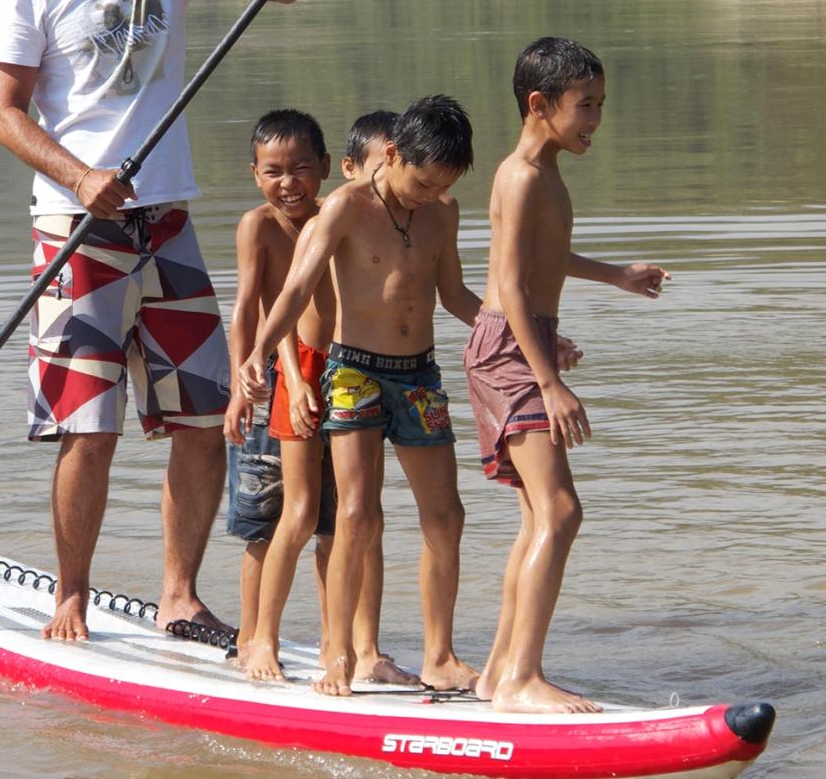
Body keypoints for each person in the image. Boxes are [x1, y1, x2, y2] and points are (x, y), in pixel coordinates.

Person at [0, 0, 312, 642]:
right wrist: (80, 176)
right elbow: (3, 114)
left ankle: (179, 597)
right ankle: (71, 596)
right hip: (76, 227)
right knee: (87, 430)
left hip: (164, 222)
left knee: (203, 419)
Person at [240, 96, 481, 697]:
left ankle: (440, 656)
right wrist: (259, 356)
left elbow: (455, 295)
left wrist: (522, 334)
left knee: (447, 516)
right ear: (394, 154)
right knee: (355, 514)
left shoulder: (442, 211)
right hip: (355, 374)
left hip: (418, 374)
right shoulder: (346, 206)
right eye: (423, 181)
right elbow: (294, 292)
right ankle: (340, 656)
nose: (429, 194)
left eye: (442, 186)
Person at [466, 37, 669, 713]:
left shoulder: (542, 172)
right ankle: (521, 679)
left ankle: (499, 673)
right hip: (511, 353)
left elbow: (543, 255)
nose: (594, 121)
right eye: (585, 106)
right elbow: (510, 285)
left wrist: (613, 276)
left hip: (520, 344)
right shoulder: (522, 175)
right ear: (538, 103)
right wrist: (547, 376)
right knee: (559, 510)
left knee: (537, 518)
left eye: (600, 106)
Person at [224, 109, 338, 680]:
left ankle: (330, 641)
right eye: (273, 171)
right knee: (264, 524)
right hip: (270, 381)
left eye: (300, 169)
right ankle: (252, 636)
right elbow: (249, 307)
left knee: (332, 524)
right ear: (254, 174)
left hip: (330, 380)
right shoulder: (258, 227)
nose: (288, 182)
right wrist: (239, 389)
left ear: (324, 168)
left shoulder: (335, 220)